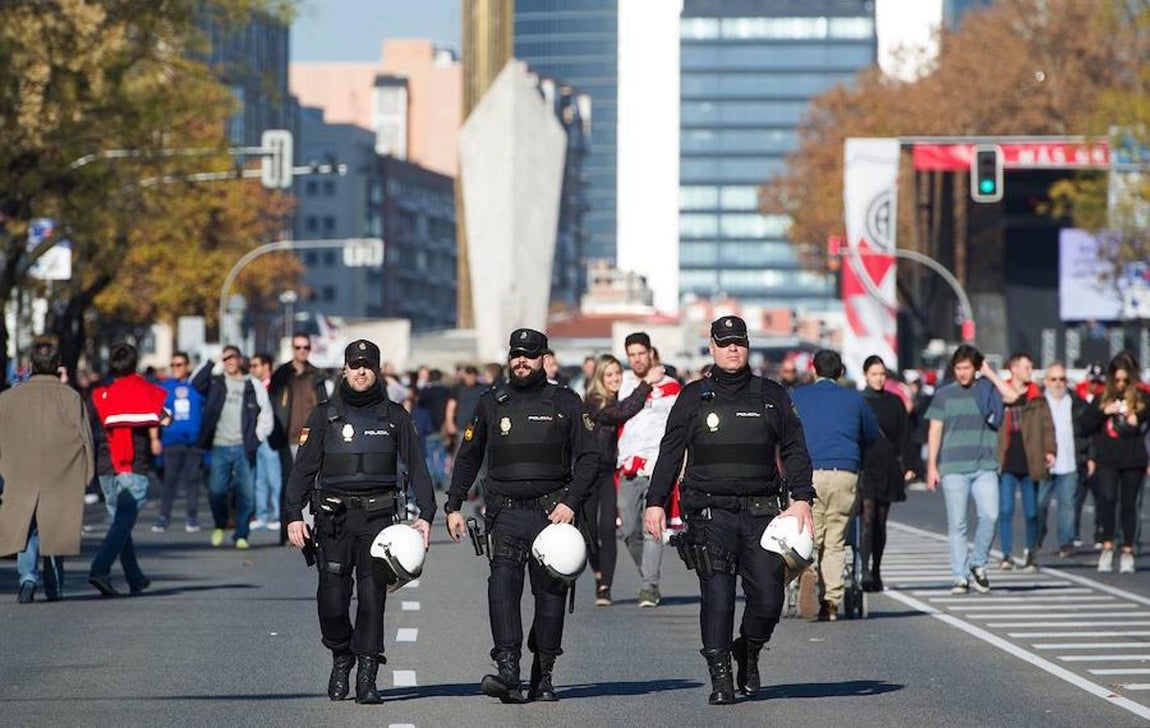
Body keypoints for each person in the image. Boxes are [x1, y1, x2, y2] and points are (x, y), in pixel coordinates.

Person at [643, 316, 815, 705]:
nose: (733, 349)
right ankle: (721, 677)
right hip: (709, 513)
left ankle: (748, 650)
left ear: (747, 346)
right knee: (717, 596)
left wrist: (802, 497)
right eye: (725, 343)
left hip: (762, 514)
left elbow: (795, 449)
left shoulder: (772, 394)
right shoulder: (693, 396)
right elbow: (670, 451)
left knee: (769, 599)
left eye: (739, 342)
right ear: (713, 347)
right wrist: (656, 501)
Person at [444, 328, 596, 704]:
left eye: (529, 354)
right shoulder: (492, 402)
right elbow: (468, 456)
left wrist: (571, 502)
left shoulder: (566, 401)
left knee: (550, 597)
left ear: (544, 358)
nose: (521, 361)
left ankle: (543, 673)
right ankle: (508, 670)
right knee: (502, 590)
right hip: (506, 514)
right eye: (516, 355)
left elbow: (591, 457)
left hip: (552, 515)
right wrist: (454, 505)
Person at [286, 339, 435, 704]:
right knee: (332, 601)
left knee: (372, 600)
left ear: (377, 370)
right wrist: (293, 515)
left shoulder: (395, 416)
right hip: (334, 520)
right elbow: (303, 470)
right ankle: (341, 656)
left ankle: (367, 675)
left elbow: (417, 466)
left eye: (368, 365)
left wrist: (427, 515)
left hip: (379, 521)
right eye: (355, 365)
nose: (361, 371)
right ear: (345, 370)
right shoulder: (324, 415)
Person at [0, 341, 94, 603]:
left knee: (25, 527)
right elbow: (85, 438)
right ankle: (54, 585)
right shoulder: (70, 397)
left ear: (31, 365)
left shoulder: (8, 398)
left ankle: (27, 578)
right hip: (60, 472)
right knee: (55, 528)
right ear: (57, 366)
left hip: (19, 471)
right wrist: (86, 474)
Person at [790, 349, 880, 620]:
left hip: (809, 474)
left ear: (813, 371)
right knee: (837, 540)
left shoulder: (798, 396)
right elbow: (872, 435)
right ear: (841, 373)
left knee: (810, 536)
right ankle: (831, 602)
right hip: (845, 471)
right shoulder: (855, 399)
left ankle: (809, 572)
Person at [925, 345, 1010, 594]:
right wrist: (931, 466)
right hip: (953, 466)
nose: (962, 373)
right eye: (958, 368)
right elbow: (935, 430)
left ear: (976, 368)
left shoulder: (987, 391)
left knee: (990, 515)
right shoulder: (944, 394)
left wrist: (990, 373)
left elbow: (1013, 396)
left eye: (967, 368)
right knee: (957, 524)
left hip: (985, 465)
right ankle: (959, 576)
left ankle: (978, 562)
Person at [88, 342, 169, 596]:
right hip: (132, 464)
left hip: (104, 464)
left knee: (119, 522)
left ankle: (134, 577)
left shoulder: (100, 393)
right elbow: (165, 417)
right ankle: (99, 570)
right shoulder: (144, 390)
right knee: (123, 522)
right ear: (134, 364)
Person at [582, 353, 655, 606]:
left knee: (607, 529)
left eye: (617, 374)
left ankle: (605, 587)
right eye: (609, 374)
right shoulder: (595, 403)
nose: (614, 378)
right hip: (587, 473)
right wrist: (647, 385)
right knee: (589, 531)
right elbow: (623, 412)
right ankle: (598, 572)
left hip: (609, 473)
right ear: (600, 377)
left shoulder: (616, 399)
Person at [617, 331, 681, 608]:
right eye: (631, 355)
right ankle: (648, 574)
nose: (637, 359)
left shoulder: (671, 387)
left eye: (641, 353)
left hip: (657, 469)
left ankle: (649, 587)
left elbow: (679, 429)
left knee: (651, 526)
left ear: (651, 353)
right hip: (628, 468)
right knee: (629, 530)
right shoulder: (622, 384)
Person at [193, 345, 273, 549]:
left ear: (239, 360)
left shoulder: (252, 385)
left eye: (232, 357)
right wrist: (212, 362)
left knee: (247, 494)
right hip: (219, 445)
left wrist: (258, 437)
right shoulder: (216, 382)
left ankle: (241, 534)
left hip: (244, 446)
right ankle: (220, 524)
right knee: (216, 491)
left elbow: (265, 413)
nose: (229, 361)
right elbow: (195, 383)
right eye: (226, 358)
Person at [1079, 354, 1149, 573]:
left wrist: (1137, 416)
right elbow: (1084, 425)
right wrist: (1103, 412)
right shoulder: (1102, 397)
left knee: (1129, 505)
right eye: (1117, 380)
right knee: (1107, 500)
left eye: (1125, 381)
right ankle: (1107, 545)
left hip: (1133, 457)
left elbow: (1147, 415)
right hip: (1107, 457)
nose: (1120, 385)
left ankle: (1127, 550)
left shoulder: (1141, 397)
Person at [995, 352, 1055, 571]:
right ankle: (1007, 554)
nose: (1030, 371)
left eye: (1031, 367)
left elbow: (1048, 426)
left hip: (1031, 458)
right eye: (1027, 367)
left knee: (1032, 511)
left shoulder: (1036, 396)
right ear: (1014, 369)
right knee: (1006, 509)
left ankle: (1031, 552)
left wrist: (1050, 450)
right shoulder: (1001, 392)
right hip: (1007, 458)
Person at [858, 355, 910, 592]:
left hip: (888, 465)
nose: (878, 379)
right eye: (874, 374)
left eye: (882, 374)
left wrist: (909, 466)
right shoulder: (859, 401)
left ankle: (877, 569)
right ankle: (865, 570)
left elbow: (904, 435)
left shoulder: (895, 402)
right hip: (866, 464)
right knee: (867, 519)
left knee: (881, 521)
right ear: (866, 375)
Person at [270, 332, 329, 543]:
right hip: (288, 437)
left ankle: (310, 531)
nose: (302, 351)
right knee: (288, 485)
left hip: (312, 438)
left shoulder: (317, 375)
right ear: (292, 349)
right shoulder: (282, 374)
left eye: (305, 347)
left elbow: (324, 404)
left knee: (313, 485)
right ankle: (286, 529)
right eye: (298, 347)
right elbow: (273, 405)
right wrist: (274, 433)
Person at [1036, 362, 1090, 558]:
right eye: (1054, 379)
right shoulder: (1038, 403)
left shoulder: (1076, 402)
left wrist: (1089, 457)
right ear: (1046, 381)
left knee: (1067, 504)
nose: (1058, 383)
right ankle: (1038, 535)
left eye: (1062, 379)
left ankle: (1066, 542)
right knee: (1040, 503)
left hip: (1069, 462)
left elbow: (1087, 431)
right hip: (1044, 464)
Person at [153, 351, 205, 533]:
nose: (176, 368)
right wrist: (157, 437)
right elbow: (156, 411)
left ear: (187, 366)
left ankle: (192, 517)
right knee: (170, 481)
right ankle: (163, 517)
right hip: (171, 440)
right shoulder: (164, 387)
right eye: (173, 365)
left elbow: (205, 409)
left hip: (193, 442)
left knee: (192, 481)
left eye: (180, 364)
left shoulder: (196, 386)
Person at [248, 353, 283, 531]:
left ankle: (276, 514)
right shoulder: (252, 386)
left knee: (274, 478)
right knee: (259, 479)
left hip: (272, 437)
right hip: (256, 438)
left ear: (266, 366)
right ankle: (261, 514)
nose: (252, 369)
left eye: (256, 365)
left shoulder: (275, 386)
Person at [415, 369, 452, 489]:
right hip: (442, 426)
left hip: (428, 427)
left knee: (429, 455)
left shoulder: (425, 391)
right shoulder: (446, 391)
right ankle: (440, 478)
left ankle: (429, 479)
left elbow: (419, 408)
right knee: (441, 454)